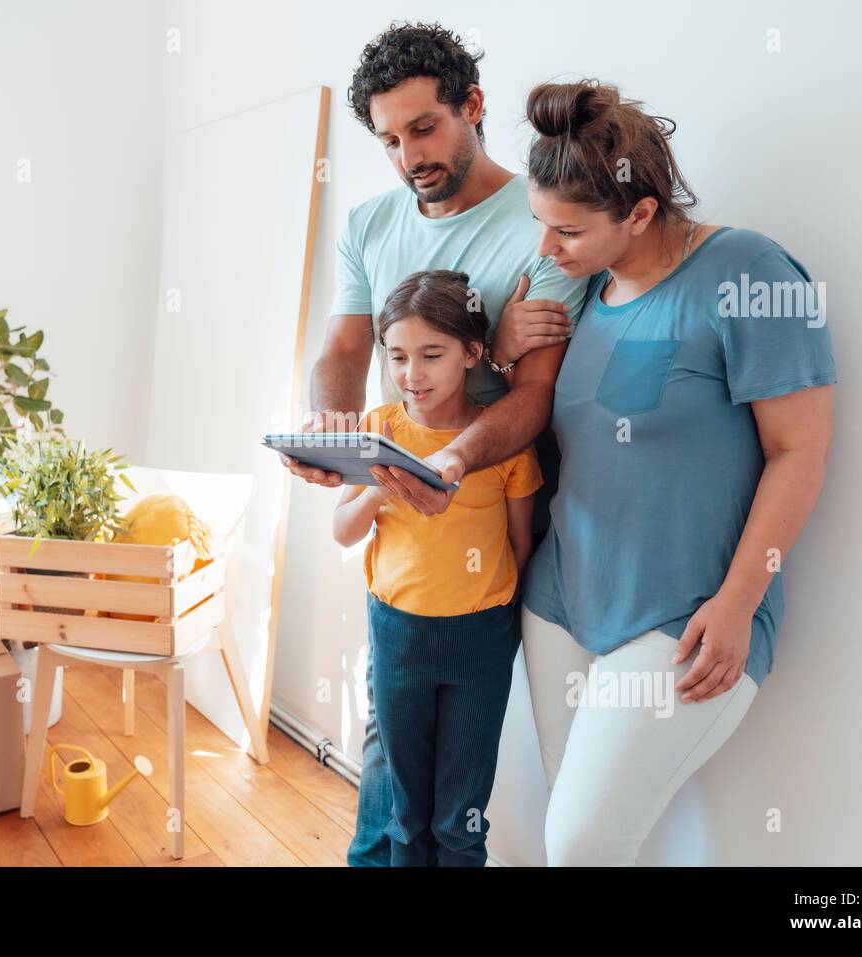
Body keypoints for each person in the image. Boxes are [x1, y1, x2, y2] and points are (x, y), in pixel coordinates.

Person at [277, 22, 585, 867]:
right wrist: (335, 434)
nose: (410, 155)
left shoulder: (540, 226)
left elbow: (533, 400)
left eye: (424, 128)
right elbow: (343, 355)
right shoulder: (371, 224)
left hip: (483, 525)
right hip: (400, 530)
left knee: (457, 794)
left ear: (472, 106)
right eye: (389, 140)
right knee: (388, 759)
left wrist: (451, 460)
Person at [514, 79, 837, 864]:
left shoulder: (748, 272)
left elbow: (800, 451)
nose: (545, 251)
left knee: (581, 843)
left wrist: (738, 601)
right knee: (582, 832)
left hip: (685, 616)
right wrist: (506, 340)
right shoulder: (588, 291)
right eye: (540, 227)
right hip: (562, 602)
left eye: (567, 232)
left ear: (641, 212)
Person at [333, 269, 541, 866]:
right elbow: (343, 530)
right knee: (404, 810)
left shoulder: (501, 441)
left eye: (431, 354)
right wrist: (381, 490)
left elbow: (519, 544)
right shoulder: (377, 429)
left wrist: (499, 619)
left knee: (460, 817)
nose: (411, 374)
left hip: (481, 636)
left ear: (473, 353)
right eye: (397, 357)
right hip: (397, 632)